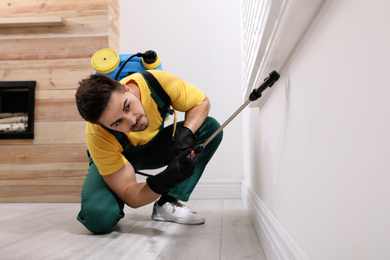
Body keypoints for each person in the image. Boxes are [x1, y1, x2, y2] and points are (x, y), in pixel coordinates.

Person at [75, 69, 223, 234]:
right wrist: (165, 180)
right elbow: (130, 194)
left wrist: (186, 133)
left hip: (153, 147)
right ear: (103, 125)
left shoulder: (157, 83)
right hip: (118, 158)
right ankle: (108, 206)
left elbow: (201, 102)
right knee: (98, 217)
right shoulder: (98, 136)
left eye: (127, 106)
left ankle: (167, 203)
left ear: (127, 88)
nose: (132, 120)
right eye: (117, 122)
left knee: (210, 128)